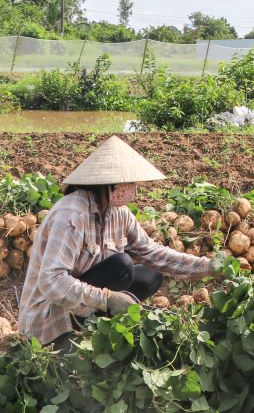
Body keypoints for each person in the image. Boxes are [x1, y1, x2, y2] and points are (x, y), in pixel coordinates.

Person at [19, 136, 224, 349]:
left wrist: (209, 266)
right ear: (110, 184)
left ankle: (98, 324)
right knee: (122, 265)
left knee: (151, 274)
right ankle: (80, 329)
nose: (133, 189)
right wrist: (108, 299)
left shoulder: (120, 213)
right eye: (129, 183)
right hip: (51, 317)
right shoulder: (71, 215)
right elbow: (51, 281)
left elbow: (154, 253)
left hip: (85, 300)